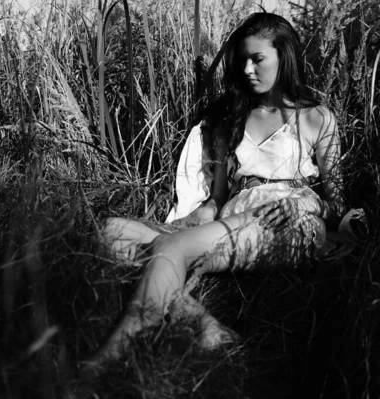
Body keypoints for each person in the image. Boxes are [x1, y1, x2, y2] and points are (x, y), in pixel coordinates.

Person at [88, 12, 346, 367]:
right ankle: (205, 325)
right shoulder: (232, 117)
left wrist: (308, 207)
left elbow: (337, 203)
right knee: (112, 231)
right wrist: (200, 212)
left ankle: (111, 356)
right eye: (242, 60)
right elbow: (219, 197)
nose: (247, 69)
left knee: (172, 248)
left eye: (258, 59)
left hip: (282, 222)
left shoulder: (317, 118)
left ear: (283, 58)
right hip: (233, 217)